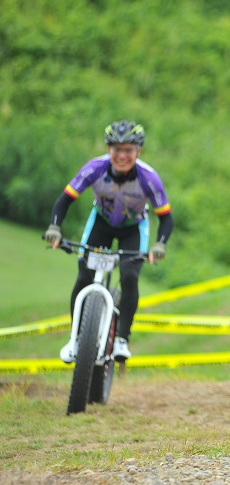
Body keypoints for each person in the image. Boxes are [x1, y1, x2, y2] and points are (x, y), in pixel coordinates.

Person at [43, 120, 173, 363]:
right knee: (83, 276)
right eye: (116, 149)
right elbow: (64, 200)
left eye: (128, 150)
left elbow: (166, 218)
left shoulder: (149, 178)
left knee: (130, 276)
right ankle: (76, 340)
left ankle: (122, 339)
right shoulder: (95, 168)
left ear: (138, 152)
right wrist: (55, 227)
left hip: (134, 228)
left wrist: (159, 244)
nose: (122, 156)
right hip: (101, 224)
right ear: (108, 149)